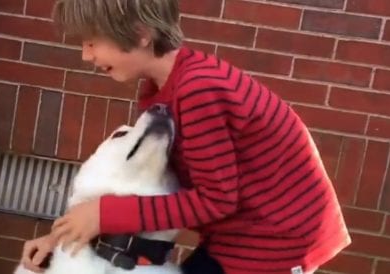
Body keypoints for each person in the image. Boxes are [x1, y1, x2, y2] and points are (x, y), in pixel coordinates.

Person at [20, 0, 351, 273]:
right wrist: (65, 236)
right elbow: (153, 185)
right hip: (241, 233)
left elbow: (216, 200)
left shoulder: (197, 90)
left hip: (274, 241)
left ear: (140, 34)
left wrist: (104, 215)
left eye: (91, 41)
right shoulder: (164, 90)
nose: (86, 55)